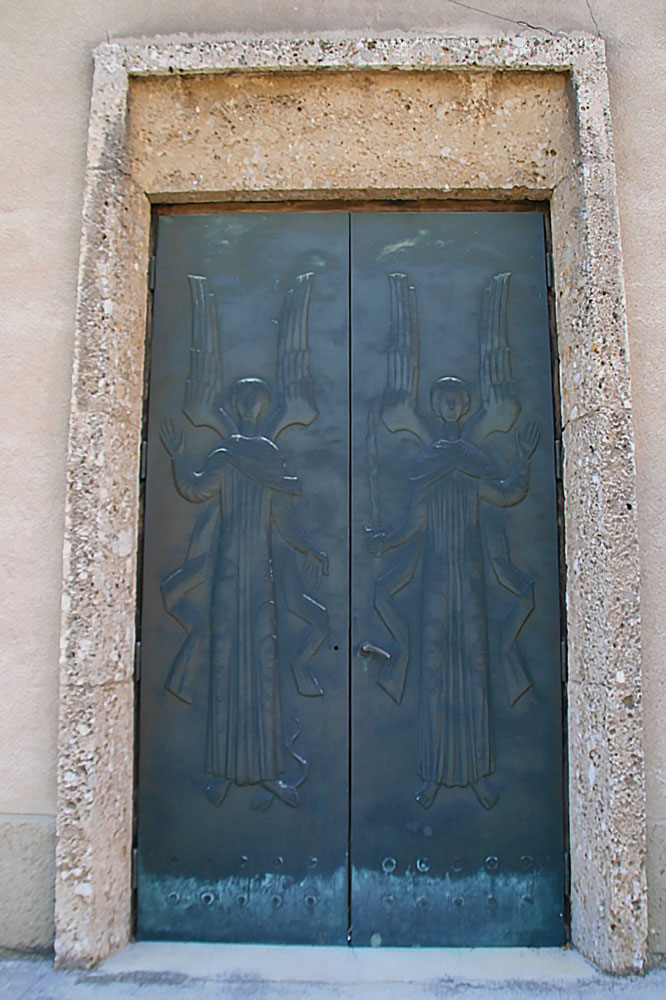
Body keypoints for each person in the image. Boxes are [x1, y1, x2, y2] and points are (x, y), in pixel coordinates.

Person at [368, 376, 539, 810]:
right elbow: (414, 521)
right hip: (437, 582)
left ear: (463, 408)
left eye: (457, 399)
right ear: (436, 405)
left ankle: (477, 772)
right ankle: (434, 773)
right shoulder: (428, 462)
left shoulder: (474, 462)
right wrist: (387, 539)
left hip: (470, 577)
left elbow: (505, 496)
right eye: (443, 398)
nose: (450, 405)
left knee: (474, 667)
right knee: (435, 667)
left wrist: (522, 461)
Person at [160, 376, 328, 809]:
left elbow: (284, 518)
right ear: (236, 407)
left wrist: (309, 547)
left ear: (263, 408)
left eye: (258, 400)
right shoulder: (224, 456)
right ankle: (223, 771)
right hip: (229, 572)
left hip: (259, 572)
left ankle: (269, 770)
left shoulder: (270, 457)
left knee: (263, 661)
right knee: (225, 661)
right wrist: (178, 458)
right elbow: (195, 490)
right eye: (245, 399)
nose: (251, 406)